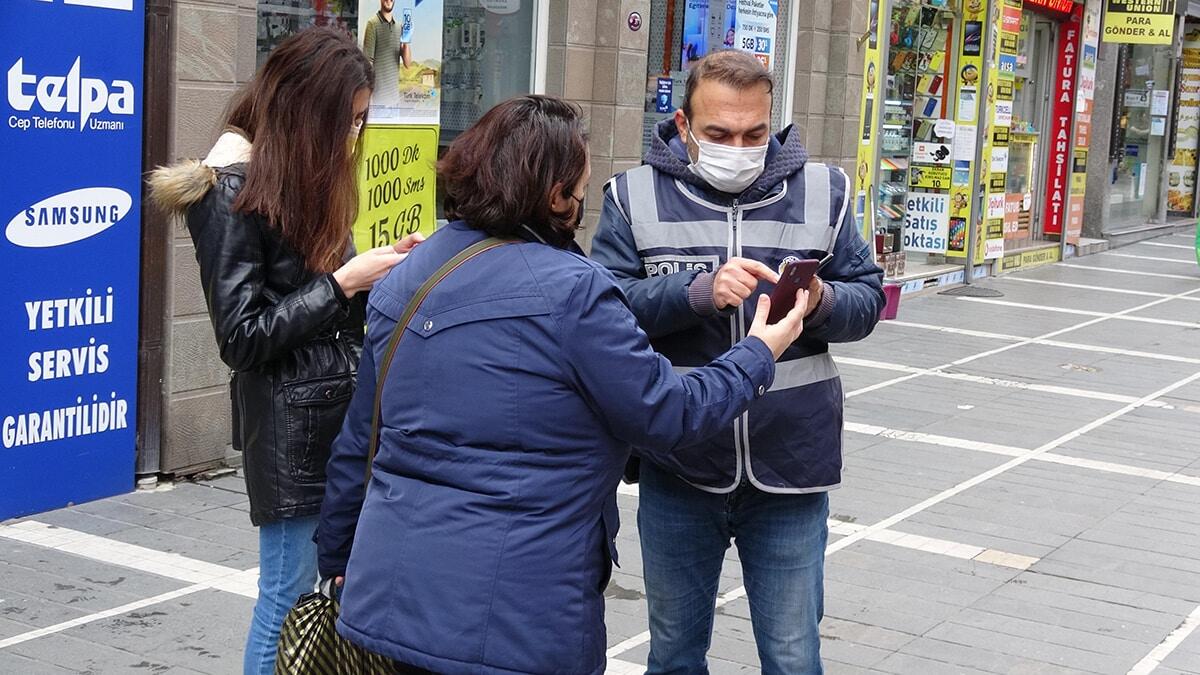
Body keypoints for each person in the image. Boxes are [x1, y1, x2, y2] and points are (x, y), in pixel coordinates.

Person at [316, 95, 812, 674]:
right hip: (518, 612)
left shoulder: (410, 273)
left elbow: (361, 439)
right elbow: (669, 413)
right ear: (555, 195)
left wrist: (338, 554)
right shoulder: (572, 291)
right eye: (579, 187)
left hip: (389, 592)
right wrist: (759, 351)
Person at [590, 50, 886, 674]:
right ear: (683, 124)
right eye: (719, 134)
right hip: (681, 464)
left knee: (791, 655)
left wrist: (822, 298)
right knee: (673, 654)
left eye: (754, 133)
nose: (738, 146)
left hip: (791, 464)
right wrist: (694, 291)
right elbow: (602, 308)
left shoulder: (823, 192)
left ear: (772, 122)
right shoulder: (632, 196)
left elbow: (867, 300)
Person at [148, 27, 422, 675]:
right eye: (349, 121)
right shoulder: (226, 189)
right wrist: (344, 282)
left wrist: (388, 271)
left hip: (340, 418)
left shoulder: (303, 179)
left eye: (362, 121)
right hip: (290, 430)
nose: (354, 137)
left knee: (324, 593)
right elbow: (242, 336)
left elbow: (328, 305)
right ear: (310, 113)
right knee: (288, 595)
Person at [362, 0, 411, 107]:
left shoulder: (399, 27)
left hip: (395, 100)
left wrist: (406, 40)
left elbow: (407, 64)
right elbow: (367, 63)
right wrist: (368, 97)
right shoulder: (372, 24)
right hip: (377, 100)